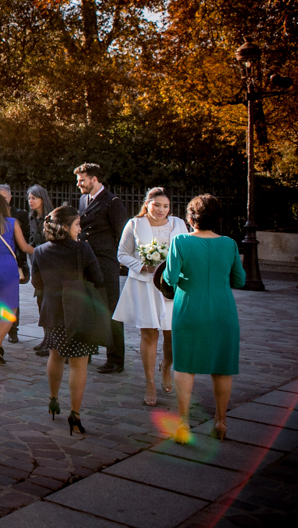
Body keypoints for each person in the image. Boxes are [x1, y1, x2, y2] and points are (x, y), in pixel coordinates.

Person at [165, 194, 244, 443]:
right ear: (218, 218)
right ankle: (220, 422)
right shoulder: (230, 244)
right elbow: (239, 280)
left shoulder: (180, 241)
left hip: (189, 309)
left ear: (190, 218)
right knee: (222, 367)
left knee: (185, 365)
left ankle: (183, 422)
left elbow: (171, 278)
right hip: (223, 311)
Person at [31, 206, 106, 435]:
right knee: (79, 363)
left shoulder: (40, 251)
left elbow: (37, 283)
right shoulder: (83, 248)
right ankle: (75, 414)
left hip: (53, 311)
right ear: (65, 227)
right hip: (78, 311)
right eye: (77, 224)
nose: (80, 229)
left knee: (55, 354)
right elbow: (98, 279)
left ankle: (53, 400)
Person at [114, 188, 188, 406]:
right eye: (157, 205)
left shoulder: (179, 224)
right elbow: (122, 254)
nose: (161, 210)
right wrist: (142, 265)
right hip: (144, 285)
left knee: (172, 334)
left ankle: (166, 365)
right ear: (147, 204)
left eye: (165, 206)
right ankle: (149, 382)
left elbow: (186, 251)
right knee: (149, 334)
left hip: (171, 287)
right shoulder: (135, 224)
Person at [75, 163, 130, 374]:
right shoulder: (83, 199)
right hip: (87, 262)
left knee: (111, 310)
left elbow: (122, 235)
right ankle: (87, 351)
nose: (79, 184)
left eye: (82, 180)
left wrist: (119, 261)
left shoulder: (112, 202)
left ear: (95, 179)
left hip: (105, 263)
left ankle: (116, 359)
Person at [0, 193, 35, 363]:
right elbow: (24, 247)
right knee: (10, 310)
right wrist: (41, 249)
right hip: (7, 270)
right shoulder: (12, 223)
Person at [0, 185, 30, 343]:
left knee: (12, 298)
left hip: (13, 261)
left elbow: (26, 240)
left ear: (10, 198)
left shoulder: (19, 215)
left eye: (4, 197)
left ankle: (13, 330)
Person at [27, 185, 53, 356]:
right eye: (29, 198)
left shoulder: (51, 218)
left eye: (34, 198)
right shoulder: (32, 218)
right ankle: (46, 337)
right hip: (38, 265)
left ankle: (52, 340)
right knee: (41, 303)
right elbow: (31, 240)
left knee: (50, 304)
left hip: (51, 266)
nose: (31, 201)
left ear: (42, 199)